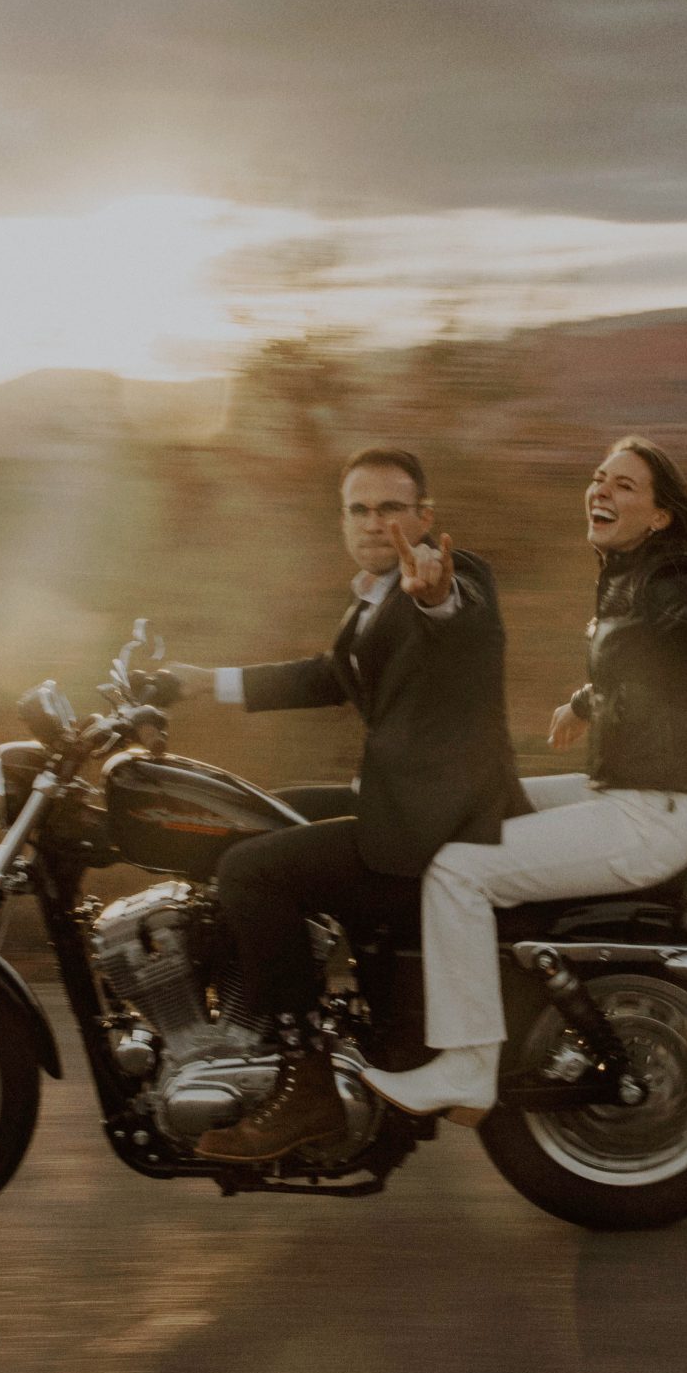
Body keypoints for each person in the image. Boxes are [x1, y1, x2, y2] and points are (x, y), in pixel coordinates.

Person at [360, 435, 687, 1122]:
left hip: (646, 817)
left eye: (625, 485)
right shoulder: (631, 572)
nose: (603, 490)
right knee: (469, 806)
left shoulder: (668, 579)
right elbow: (642, 668)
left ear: (660, 516)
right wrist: (582, 704)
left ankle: (469, 1066)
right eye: (599, 478)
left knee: (456, 869)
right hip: (620, 792)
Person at [167, 447, 523, 1162]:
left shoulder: (448, 579)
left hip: (434, 827)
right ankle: (271, 1014)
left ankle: (308, 1086)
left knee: (251, 872)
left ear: (424, 517)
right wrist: (206, 682)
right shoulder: (374, 597)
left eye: (390, 507)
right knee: (259, 812)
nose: (372, 522)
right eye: (358, 509)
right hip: (405, 802)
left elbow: (460, 618)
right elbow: (332, 675)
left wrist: (436, 598)